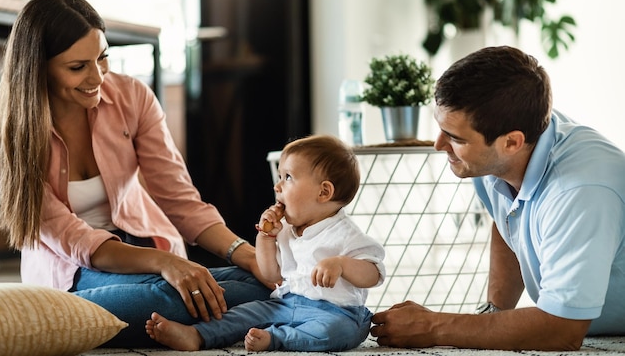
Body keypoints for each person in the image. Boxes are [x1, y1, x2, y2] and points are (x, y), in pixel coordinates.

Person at [0, 0, 272, 348]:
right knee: (169, 298)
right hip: (73, 269)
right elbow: (80, 243)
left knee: (256, 281)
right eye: (78, 67)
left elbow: (180, 201)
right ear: (39, 69)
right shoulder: (12, 131)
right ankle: (62, 309)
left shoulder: (131, 97)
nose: (97, 77)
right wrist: (164, 264)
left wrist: (248, 254)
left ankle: (99, 316)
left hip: (146, 247)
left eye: (102, 58)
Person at [370, 45, 625, 351]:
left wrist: (434, 326)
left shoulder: (579, 192)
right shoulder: (510, 143)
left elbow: (561, 330)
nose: (439, 145)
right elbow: (508, 220)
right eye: (441, 129)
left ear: (512, 142)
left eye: (456, 138)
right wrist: (495, 311)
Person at [145, 134, 386, 351]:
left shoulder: (344, 234)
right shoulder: (287, 231)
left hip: (337, 312)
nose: (277, 186)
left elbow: (374, 274)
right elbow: (271, 274)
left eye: (288, 177)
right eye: (280, 176)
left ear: (324, 192)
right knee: (244, 313)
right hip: (288, 303)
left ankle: (276, 338)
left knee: (335, 332)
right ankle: (197, 336)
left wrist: (342, 264)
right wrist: (266, 238)